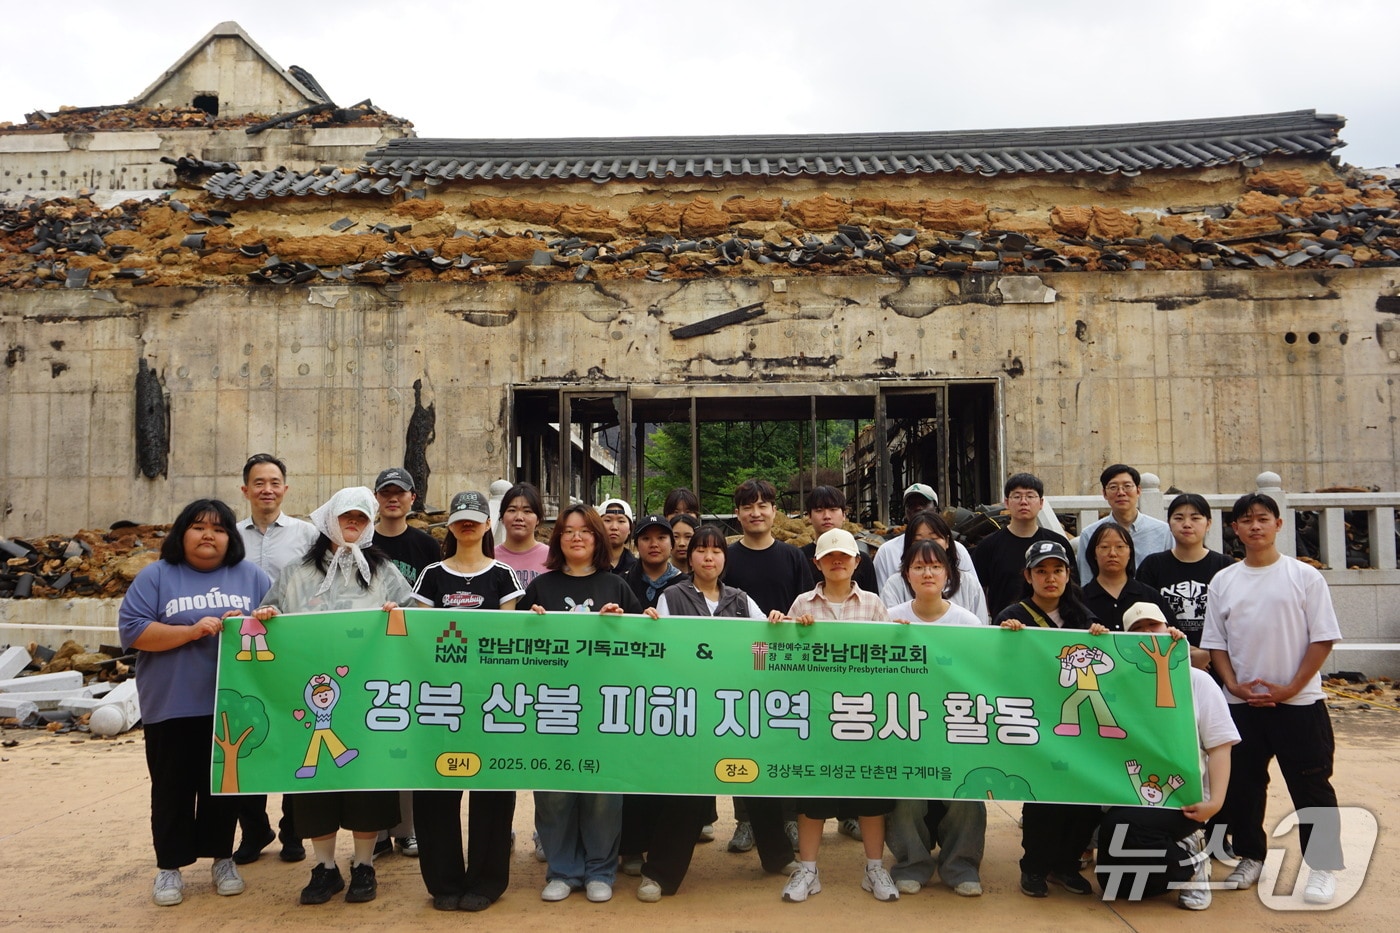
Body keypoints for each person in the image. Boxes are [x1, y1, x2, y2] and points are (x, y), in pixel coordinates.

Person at [249, 486, 414, 906]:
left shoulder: (385, 573)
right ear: (329, 520)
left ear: (370, 524)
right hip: (308, 692)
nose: (353, 524)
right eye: (346, 517)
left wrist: (398, 615)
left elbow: (412, 619)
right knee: (314, 780)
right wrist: (268, 615)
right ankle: (324, 867)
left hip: (366, 697)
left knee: (366, 780)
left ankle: (364, 865)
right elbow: (270, 616)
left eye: (361, 518)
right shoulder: (296, 573)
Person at [118, 498, 271, 907]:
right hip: (171, 703)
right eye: (199, 527)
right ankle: (169, 867)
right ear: (182, 533)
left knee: (223, 788)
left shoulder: (252, 576)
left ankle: (223, 859)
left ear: (231, 538)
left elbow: (276, 625)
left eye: (219, 529)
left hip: (231, 705)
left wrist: (254, 620)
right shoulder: (156, 576)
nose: (209, 535)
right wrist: (190, 632)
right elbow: (133, 631)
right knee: (172, 789)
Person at [1201, 492, 1344, 904]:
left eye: (1263, 518)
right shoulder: (1225, 580)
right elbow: (1216, 644)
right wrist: (1233, 685)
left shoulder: (1304, 577)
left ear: (1278, 524)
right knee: (1244, 785)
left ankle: (1322, 867)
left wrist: (1292, 687)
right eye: (1246, 520)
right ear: (1235, 529)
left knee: (1311, 785)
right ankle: (1251, 856)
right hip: (1242, 705)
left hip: (1299, 704)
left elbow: (1322, 638)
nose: (1255, 526)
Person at [626, 525, 765, 903]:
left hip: (735, 710)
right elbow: (663, 653)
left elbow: (764, 648)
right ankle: (660, 873)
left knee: (758, 780)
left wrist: (777, 625)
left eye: (716, 551)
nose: (708, 557)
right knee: (686, 790)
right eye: (701, 550)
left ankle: (779, 856)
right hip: (689, 713)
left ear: (725, 558)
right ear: (689, 557)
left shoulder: (741, 600)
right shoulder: (673, 596)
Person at [520, 504, 649, 904]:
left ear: (597, 538)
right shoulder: (541, 588)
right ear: (557, 539)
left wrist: (623, 622)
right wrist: (530, 622)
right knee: (555, 792)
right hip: (553, 707)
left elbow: (643, 645)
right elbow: (516, 650)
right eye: (567, 531)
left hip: (603, 708)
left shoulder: (616, 587)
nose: (576, 537)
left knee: (603, 793)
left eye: (585, 531)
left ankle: (600, 870)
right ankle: (562, 870)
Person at [768, 528, 898, 903]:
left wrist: (901, 636)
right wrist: (784, 627)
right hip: (817, 716)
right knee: (814, 797)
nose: (837, 562)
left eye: (844, 556)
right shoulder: (802, 604)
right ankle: (808, 871)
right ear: (817, 563)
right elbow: (784, 660)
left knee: (870, 795)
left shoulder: (874, 604)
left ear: (857, 561)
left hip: (863, 716)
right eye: (829, 557)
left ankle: (874, 869)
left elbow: (889, 660)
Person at [409, 490, 524, 912]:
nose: (467, 525)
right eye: (460, 518)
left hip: (490, 700)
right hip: (440, 699)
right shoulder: (431, 576)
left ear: (487, 524)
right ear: (451, 525)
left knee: (492, 789)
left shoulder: (504, 576)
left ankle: (486, 882)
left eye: (475, 518)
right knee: (436, 788)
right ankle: (444, 882)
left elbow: (509, 638)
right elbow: (417, 636)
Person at [1095, 602, 1238, 911]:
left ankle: (1192, 866)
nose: (1147, 634)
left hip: (1183, 796)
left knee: (1124, 824)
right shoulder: (1118, 685)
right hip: (1131, 792)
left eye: (1153, 626)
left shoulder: (1197, 681)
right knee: (1115, 884)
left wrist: (1215, 803)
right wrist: (1096, 642)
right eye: (1137, 630)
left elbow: (1220, 746)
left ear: (1168, 629)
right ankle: (1179, 849)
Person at [995, 540, 1100, 897]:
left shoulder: (1082, 617)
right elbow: (996, 664)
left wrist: (1101, 638)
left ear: (1068, 574)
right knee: (1043, 796)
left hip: (1078, 723)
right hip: (1036, 720)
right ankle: (1035, 868)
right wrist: (1005, 639)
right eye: (1041, 571)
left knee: (1084, 797)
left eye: (1057, 570)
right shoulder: (1013, 616)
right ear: (1028, 576)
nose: (1050, 578)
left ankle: (1066, 865)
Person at [885, 539, 986, 897]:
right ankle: (911, 863)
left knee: (965, 792)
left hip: (955, 725)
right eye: (918, 567)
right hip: (903, 725)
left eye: (935, 566)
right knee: (906, 793)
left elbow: (982, 674)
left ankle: (961, 866)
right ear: (906, 575)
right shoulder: (889, 619)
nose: (927, 573)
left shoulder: (967, 622)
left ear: (948, 574)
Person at [720, 478, 810, 866]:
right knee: (741, 738)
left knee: (785, 739)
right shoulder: (726, 557)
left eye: (763, 505)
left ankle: (789, 818)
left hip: (786, 664)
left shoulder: (793, 557)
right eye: (747, 506)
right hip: (739, 664)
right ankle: (746, 821)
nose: (755, 512)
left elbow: (807, 606)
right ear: (737, 513)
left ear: (775, 511)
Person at [233, 453, 317, 864]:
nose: (267, 490)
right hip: (242, 654)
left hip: (292, 651)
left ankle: (293, 830)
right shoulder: (231, 536)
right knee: (246, 737)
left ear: (285, 488)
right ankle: (254, 829)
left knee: (294, 735)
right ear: (245, 490)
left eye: (274, 482)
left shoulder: (307, 534)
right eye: (258, 483)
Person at [368, 467, 439, 860]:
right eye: (386, 493)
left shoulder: (426, 545)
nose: (393, 499)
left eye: (400, 492)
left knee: (408, 739)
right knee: (374, 739)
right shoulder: (364, 540)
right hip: (369, 656)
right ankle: (377, 830)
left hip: (411, 656)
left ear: (413, 498)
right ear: (376, 498)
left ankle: (407, 830)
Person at [1136, 493, 1234, 668]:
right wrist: (1182, 649)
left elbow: (1234, 619)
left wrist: (1208, 654)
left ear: (1208, 523)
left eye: (1195, 518)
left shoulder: (1225, 566)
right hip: (1165, 658)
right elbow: (1144, 616)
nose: (1187, 524)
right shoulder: (1153, 565)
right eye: (1179, 518)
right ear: (1169, 523)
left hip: (1218, 662)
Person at [971, 472, 1076, 618]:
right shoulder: (989, 545)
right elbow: (975, 590)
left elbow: (1073, 589)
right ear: (1007, 502)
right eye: (1017, 496)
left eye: (1030, 496)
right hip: (1005, 625)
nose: (1024, 502)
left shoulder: (1057, 544)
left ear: (1041, 503)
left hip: (1051, 626)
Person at [879, 509, 989, 623]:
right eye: (918, 540)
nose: (927, 545)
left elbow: (981, 628)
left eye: (934, 538)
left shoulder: (969, 585)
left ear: (947, 541)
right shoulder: (894, 586)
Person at [871, 482, 977, 592]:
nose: (918, 508)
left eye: (924, 503)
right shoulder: (887, 552)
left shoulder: (958, 550)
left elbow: (972, 592)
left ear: (936, 508)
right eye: (911, 505)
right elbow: (883, 596)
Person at [1075, 464, 1172, 582]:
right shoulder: (1090, 534)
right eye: (1113, 487)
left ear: (1138, 490)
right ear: (1104, 493)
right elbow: (1086, 580)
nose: (1121, 492)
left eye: (1127, 486)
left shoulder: (1163, 531)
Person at [1080, 522, 1173, 632]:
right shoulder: (1079, 599)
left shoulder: (1151, 596)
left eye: (1120, 547)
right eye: (1104, 547)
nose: (1112, 553)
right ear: (1094, 554)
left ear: (1130, 553)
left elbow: (1173, 635)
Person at [800, 485, 878, 593]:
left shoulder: (862, 560)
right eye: (819, 510)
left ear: (844, 515)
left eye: (833, 509)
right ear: (809, 516)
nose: (827, 516)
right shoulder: (799, 558)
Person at [494, 482, 549, 589]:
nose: (519, 517)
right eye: (512, 510)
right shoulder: (489, 558)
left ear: (538, 519)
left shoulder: (551, 558)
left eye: (527, 511)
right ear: (502, 517)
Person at [624, 514, 684, 609]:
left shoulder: (685, 584)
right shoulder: (623, 582)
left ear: (672, 544)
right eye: (646, 538)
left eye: (661, 538)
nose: (654, 544)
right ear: (636, 546)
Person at [598, 498, 638, 575]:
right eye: (607, 520)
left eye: (621, 521)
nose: (614, 527)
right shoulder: (585, 565)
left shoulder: (638, 568)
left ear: (630, 528)